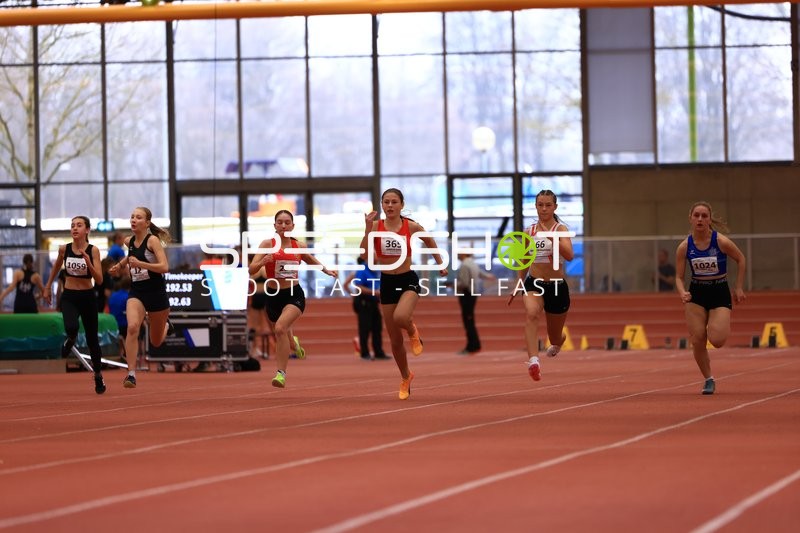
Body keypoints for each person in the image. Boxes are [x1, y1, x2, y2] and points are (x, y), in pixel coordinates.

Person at [359, 188, 448, 400]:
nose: (389, 206)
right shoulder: (375, 227)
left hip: (407, 279)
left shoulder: (411, 226)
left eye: (394, 202)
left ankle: (413, 330)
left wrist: (440, 263)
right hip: (387, 281)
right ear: (381, 205)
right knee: (395, 340)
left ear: (401, 205)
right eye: (386, 202)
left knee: (401, 317)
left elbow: (429, 240)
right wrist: (366, 229)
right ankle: (406, 376)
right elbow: (363, 254)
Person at [248, 209, 337, 388]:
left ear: (292, 226)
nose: (283, 225)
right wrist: (264, 261)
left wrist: (326, 270)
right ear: (274, 226)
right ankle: (293, 342)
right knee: (283, 331)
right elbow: (251, 269)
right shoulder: (267, 244)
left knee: (280, 327)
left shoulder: (299, 246)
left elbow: (310, 259)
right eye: (279, 222)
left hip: (293, 294)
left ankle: (280, 374)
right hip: (273, 296)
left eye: (287, 222)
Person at [675, 201, 746, 395]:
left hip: (719, 290)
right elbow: (679, 277)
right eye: (696, 215)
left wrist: (738, 287)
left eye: (704, 216)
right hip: (696, 293)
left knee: (717, 340)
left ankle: (715, 324)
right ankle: (708, 379)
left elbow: (741, 259)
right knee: (698, 339)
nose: (700, 219)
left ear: (709, 219)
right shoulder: (684, 246)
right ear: (690, 218)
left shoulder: (720, 241)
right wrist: (682, 291)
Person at [510, 190, 574, 383]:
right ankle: (533, 361)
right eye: (540, 205)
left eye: (548, 205)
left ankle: (558, 341)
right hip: (534, 282)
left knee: (554, 337)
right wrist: (519, 282)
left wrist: (551, 237)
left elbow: (569, 255)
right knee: (531, 313)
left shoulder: (560, 229)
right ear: (536, 206)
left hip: (556, 286)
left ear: (555, 207)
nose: (544, 209)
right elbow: (525, 258)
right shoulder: (530, 231)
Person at [108, 206, 174, 389]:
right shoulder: (128, 241)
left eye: (138, 217)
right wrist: (120, 266)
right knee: (132, 327)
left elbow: (164, 267)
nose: (134, 220)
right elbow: (131, 256)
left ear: (146, 222)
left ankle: (166, 325)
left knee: (156, 341)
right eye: (132, 217)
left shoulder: (152, 241)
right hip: (137, 292)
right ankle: (131, 374)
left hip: (156, 293)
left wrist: (141, 264)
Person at [42, 216, 107, 394]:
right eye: (72, 226)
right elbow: (56, 267)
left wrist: (89, 263)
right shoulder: (64, 249)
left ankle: (98, 375)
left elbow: (99, 280)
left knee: (93, 339)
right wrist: (47, 287)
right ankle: (71, 338)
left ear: (87, 230)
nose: (75, 228)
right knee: (71, 326)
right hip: (69, 295)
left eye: (79, 225)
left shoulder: (93, 251)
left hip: (87, 296)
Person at [346, 257, 389, 361]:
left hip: (374, 301)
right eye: (374, 257)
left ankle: (378, 352)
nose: (377, 258)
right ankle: (364, 353)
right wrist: (375, 292)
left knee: (377, 327)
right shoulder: (362, 270)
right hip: (364, 301)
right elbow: (359, 286)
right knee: (365, 328)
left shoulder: (377, 270)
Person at [454, 252, 495, 355]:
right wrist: (490, 276)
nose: (458, 255)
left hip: (466, 294)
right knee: (470, 320)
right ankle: (475, 344)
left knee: (468, 321)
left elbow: (464, 283)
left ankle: (472, 346)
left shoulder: (464, 265)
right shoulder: (473, 263)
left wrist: (453, 285)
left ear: (464, 254)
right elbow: (482, 274)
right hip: (473, 293)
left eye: (459, 254)